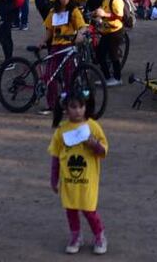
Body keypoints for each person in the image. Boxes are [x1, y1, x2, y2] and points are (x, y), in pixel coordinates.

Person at [48, 94, 108, 255]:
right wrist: (54, 179)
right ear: (66, 109)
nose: (78, 111)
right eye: (73, 107)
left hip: (87, 180)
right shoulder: (61, 131)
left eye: (81, 106)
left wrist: (94, 144)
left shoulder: (93, 127)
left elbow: (103, 151)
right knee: (71, 209)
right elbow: (55, 156)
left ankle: (99, 236)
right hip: (68, 181)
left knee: (89, 210)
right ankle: (76, 237)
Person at [39, 0, 88, 114]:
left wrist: (79, 35)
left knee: (69, 77)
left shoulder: (74, 11)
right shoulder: (53, 12)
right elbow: (49, 31)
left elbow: (82, 27)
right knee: (50, 76)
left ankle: (68, 104)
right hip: (56, 47)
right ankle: (52, 105)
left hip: (68, 47)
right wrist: (42, 42)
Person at [92, 0, 124, 87]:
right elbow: (103, 10)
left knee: (113, 55)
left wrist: (104, 15)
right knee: (100, 54)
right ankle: (106, 77)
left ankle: (117, 78)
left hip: (115, 31)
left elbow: (120, 17)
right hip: (106, 31)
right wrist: (96, 13)